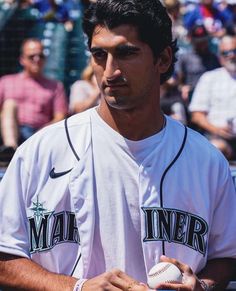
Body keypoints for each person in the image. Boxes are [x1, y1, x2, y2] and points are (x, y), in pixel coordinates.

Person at [0, 1, 236, 291]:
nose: (110, 71)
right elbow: (4, 257)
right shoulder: (39, 152)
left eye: (125, 53)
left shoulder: (207, 161)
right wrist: (77, 287)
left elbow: (226, 256)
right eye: (99, 54)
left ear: (162, 60)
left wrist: (202, 285)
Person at [0, 38, 68, 151]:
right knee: (10, 104)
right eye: (32, 56)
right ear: (22, 59)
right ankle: (11, 149)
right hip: (8, 131)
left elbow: (60, 116)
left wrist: (40, 133)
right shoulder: (6, 81)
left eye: (40, 56)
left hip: (39, 134)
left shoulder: (55, 86)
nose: (37, 59)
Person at [189, 34, 236, 160]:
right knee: (216, 147)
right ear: (220, 57)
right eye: (226, 53)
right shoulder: (209, 78)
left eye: (234, 51)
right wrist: (217, 130)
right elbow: (197, 115)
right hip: (218, 138)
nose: (231, 55)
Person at [175, 24, 221, 103]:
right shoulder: (185, 58)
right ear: (191, 40)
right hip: (192, 96)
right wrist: (183, 88)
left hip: (212, 96)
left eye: (203, 41)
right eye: (198, 42)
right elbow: (179, 82)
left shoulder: (214, 58)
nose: (202, 45)